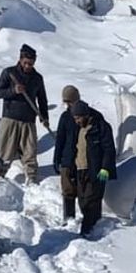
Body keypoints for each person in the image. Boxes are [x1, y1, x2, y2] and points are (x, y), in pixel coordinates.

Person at [56, 100, 116, 237]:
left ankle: (87, 232)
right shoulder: (80, 129)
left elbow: (109, 149)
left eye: (78, 118)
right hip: (79, 169)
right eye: (74, 118)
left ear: (85, 115)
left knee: (91, 201)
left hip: (95, 170)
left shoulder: (101, 127)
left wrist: (105, 168)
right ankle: (93, 225)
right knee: (83, 201)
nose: (76, 121)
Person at [0, 44, 49, 184]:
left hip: (29, 119)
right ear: (20, 59)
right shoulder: (9, 73)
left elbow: (42, 99)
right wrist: (13, 90)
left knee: (30, 151)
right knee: (6, 151)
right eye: (25, 63)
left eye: (30, 63)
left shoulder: (37, 78)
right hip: (10, 117)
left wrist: (45, 117)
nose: (27, 66)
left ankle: (31, 176)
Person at [53, 85, 82, 220]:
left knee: (83, 191)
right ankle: (69, 218)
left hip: (83, 159)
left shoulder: (86, 115)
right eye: (66, 102)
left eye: (70, 101)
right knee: (68, 190)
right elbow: (60, 139)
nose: (68, 105)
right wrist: (57, 158)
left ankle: (86, 218)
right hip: (67, 158)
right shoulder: (65, 117)